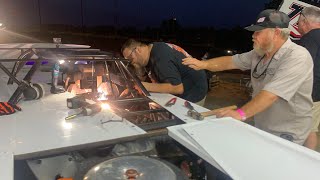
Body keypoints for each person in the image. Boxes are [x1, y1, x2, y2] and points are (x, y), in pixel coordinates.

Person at [182, 9, 314, 145]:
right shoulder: (259, 53)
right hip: (264, 123)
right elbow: (230, 61)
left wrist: (240, 113)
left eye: (258, 32)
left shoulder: (297, 56)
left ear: (276, 32)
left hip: (288, 130)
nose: (253, 36)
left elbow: (272, 94)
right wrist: (203, 64)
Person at [121, 39, 208, 106]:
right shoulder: (150, 52)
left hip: (193, 91)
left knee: (183, 123)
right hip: (183, 87)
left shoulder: (160, 57)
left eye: (130, 58)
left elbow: (177, 88)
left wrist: (143, 86)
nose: (131, 62)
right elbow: (146, 77)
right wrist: (135, 86)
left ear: (138, 50)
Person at [297, 6, 320, 150]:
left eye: (298, 22)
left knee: (307, 129)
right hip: (318, 94)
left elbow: (302, 66)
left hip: (309, 93)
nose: (298, 26)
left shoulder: (309, 38)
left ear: (304, 21)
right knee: (312, 127)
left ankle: (304, 159)